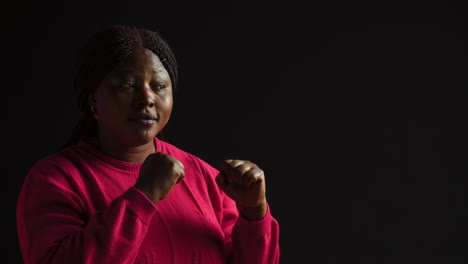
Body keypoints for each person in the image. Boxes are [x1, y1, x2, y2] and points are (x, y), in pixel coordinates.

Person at [16, 24, 280, 264]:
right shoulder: (55, 179)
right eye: (128, 85)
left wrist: (254, 213)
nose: (147, 98)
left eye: (159, 85)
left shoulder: (206, 178)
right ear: (93, 100)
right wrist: (143, 196)